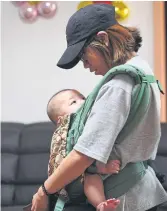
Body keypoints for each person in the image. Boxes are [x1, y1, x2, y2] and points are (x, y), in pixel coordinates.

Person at [31, 4, 167, 211]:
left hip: (124, 199)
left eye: (85, 57)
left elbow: (84, 154)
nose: (85, 65)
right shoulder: (142, 69)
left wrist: (44, 191)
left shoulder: (119, 85)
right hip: (141, 190)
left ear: (103, 39)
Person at [47, 89, 120, 210]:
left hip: (92, 169)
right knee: (90, 177)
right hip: (74, 181)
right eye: (73, 102)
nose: (83, 101)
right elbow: (79, 157)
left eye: (83, 98)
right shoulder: (68, 132)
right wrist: (101, 167)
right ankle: (101, 204)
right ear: (61, 119)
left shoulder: (93, 118)